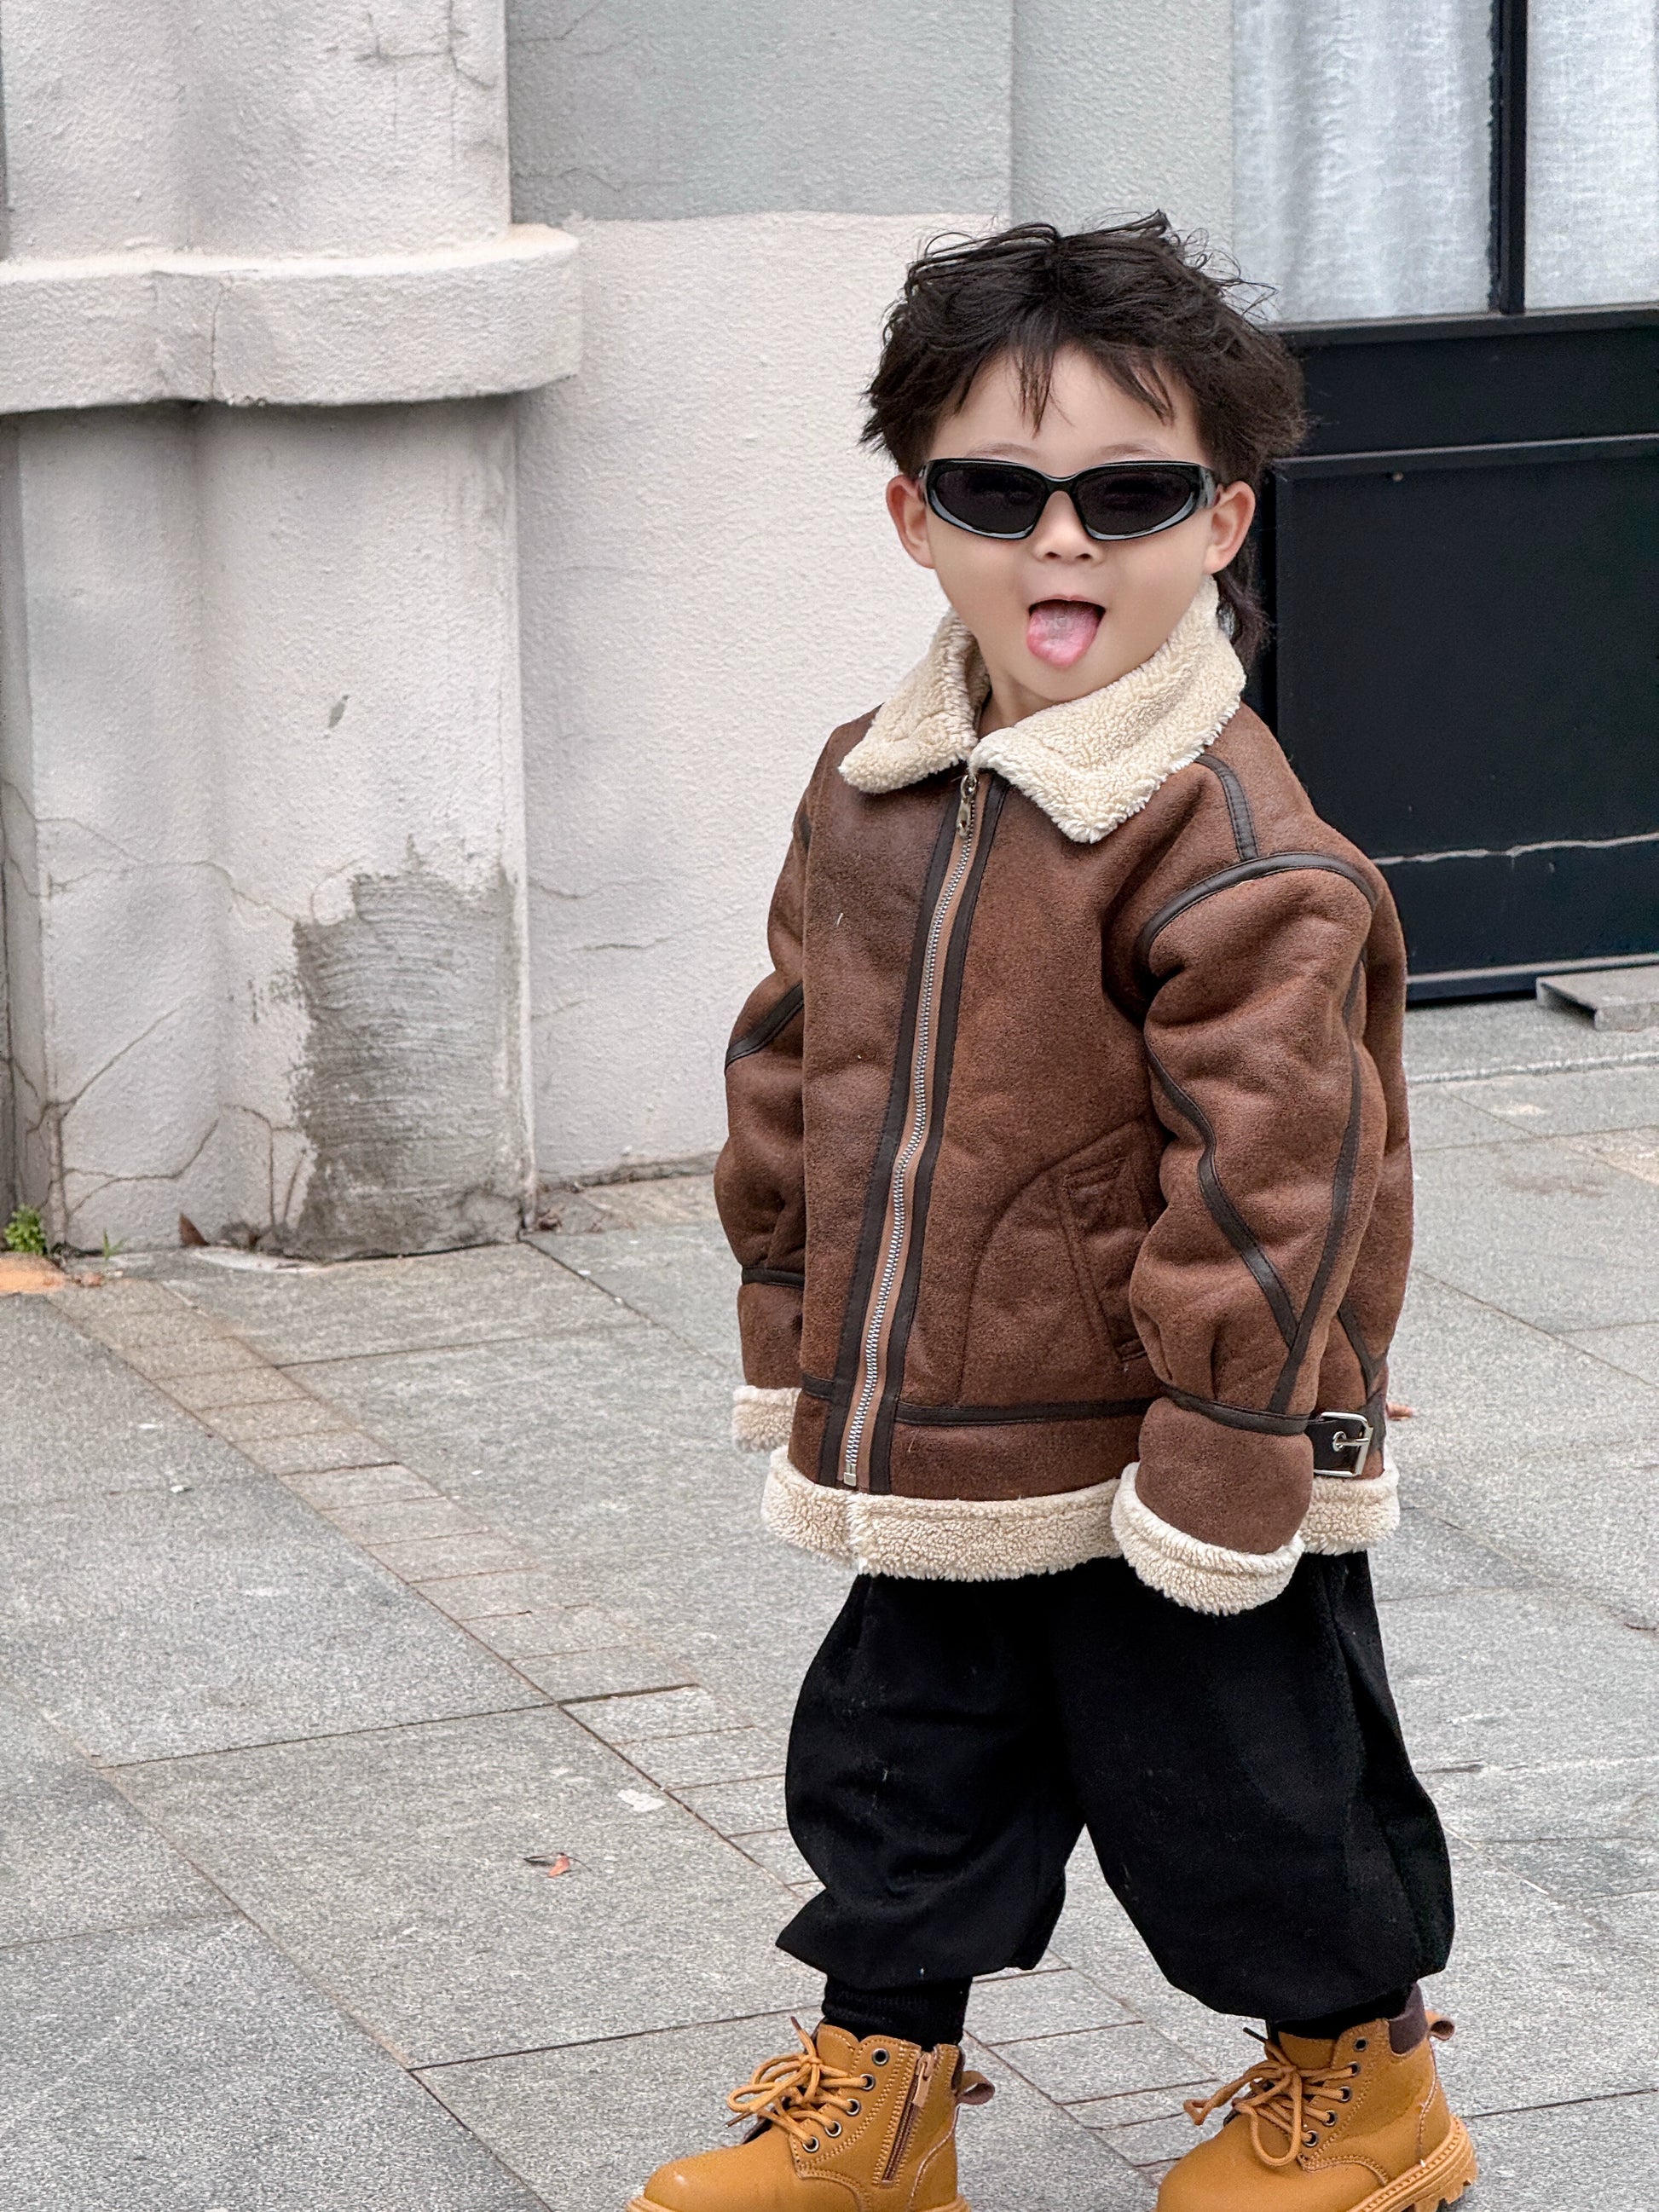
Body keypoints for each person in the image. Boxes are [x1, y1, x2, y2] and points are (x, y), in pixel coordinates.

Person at [627, 219, 1473, 2212]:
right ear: (918, 516)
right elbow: (796, 1054)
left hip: (1182, 1442)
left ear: (1223, 517)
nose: (1063, 541)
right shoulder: (870, 784)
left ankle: (1362, 2080)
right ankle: (885, 2079)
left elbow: (1280, 1182)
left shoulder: (1237, 845)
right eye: (1003, 494)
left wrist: (1226, 1454)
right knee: (898, 1756)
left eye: (1130, 492)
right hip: (943, 1422)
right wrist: (791, 1321)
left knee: (1247, 1786)